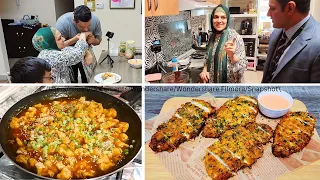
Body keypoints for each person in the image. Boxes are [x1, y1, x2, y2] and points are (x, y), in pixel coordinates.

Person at [262, 0, 320, 83]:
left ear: (290, 8)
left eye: (272, 8)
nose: (268, 14)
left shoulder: (317, 45)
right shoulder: (277, 32)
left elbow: (315, 94)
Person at [199, 4, 247, 83]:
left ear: (227, 19)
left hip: (229, 88)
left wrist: (232, 56)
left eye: (223, 17)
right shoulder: (212, 37)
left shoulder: (235, 37)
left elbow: (242, 68)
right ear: (212, 19)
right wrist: (204, 70)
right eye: (216, 17)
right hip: (212, 85)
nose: (219, 21)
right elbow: (207, 59)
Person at [56, 5, 102, 83]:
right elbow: (59, 46)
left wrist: (93, 40)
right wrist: (75, 39)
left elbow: (98, 41)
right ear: (74, 21)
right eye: (82, 27)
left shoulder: (95, 20)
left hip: (87, 52)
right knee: (72, 80)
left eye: (89, 26)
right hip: (68, 54)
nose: (86, 29)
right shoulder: (62, 23)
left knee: (91, 79)